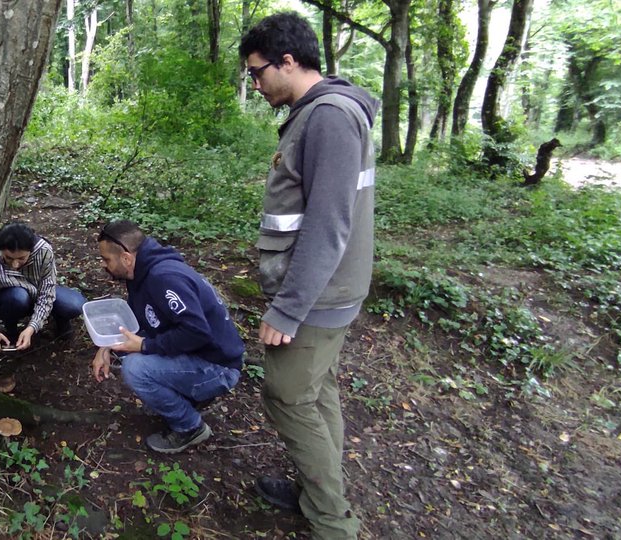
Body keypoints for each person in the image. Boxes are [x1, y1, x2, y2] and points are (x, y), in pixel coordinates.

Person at [238, 12, 378, 540]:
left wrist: (288, 307)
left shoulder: (330, 118)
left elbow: (329, 223)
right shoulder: (319, 112)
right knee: (316, 392)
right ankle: (317, 492)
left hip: (318, 295)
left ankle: (332, 522)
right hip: (325, 289)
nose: (255, 84)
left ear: (288, 61)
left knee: (287, 395)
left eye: (257, 72)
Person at [90, 220, 244, 454]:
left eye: (106, 259)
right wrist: (106, 347)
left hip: (218, 366)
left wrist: (145, 345)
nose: (103, 265)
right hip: (199, 353)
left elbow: (197, 332)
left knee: (135, 368)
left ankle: (190, 427)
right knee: (130, 352)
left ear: (126, 258)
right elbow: (142, 319)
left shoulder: (164, 278)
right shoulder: (141, 272)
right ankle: (186, 397)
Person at [0, 222, 86, 351]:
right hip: (7, 299)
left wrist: (32, 328)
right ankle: (11, 331)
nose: (15, 264)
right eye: (8, 258)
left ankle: (60, 321)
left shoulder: (44, 251)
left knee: (73, 304)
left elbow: (47, 293)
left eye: (21, 258)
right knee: (17, 296)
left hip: (36, 292)